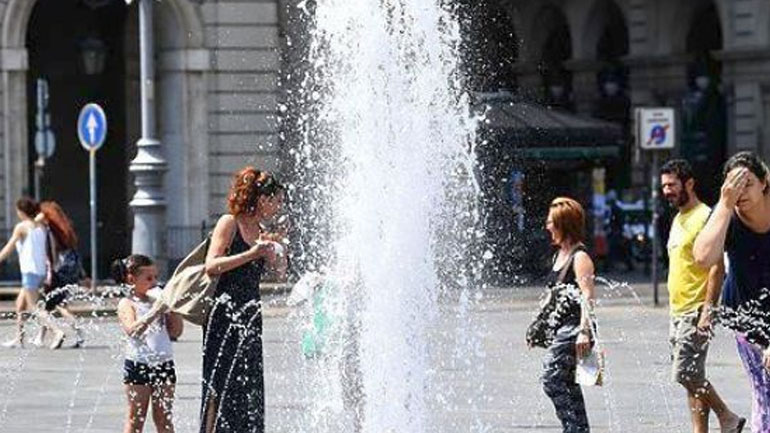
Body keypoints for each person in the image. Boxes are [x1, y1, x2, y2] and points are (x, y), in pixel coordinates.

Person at [660, 159, 745, 433]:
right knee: (693, 376)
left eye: (672, 185)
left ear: (689, 183)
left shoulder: (706, 216)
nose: (667, 191)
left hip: (697, 309)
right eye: (664, 186)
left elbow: (717, 267)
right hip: (678, 309)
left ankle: (728, 417)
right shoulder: (677, 218)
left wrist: (708, 308)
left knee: (685, 372)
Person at [201, 167, 286, 433]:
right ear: (262, 199)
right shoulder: (230, 222)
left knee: (249, 384)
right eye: (277, 199)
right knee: (222, 383)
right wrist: (252, 253)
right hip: (224, 316)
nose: (279, 205)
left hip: (251, 315)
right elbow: (211, 266)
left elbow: (279, 276)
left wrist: (276, 254)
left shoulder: (261, 230)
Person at [694, 151, 770, 432]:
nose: (741, 191)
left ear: (764, 182)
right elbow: (703, 258)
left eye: (747, 183)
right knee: (765, 395)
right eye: (733, 185)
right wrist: (724, 206)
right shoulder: (726, 214)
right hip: (747, 319)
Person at [539, 197, 596, 433]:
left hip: (574, 331)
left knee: (551, 379)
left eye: (552, 222)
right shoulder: (558, 255)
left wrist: (584, 332)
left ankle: (573, 428)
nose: (547, 226)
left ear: (564, 224)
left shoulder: (580, 257)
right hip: (561, 331)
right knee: (567, 383)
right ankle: (578, 429)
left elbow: (588, 297)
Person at [114, 254, 183, 433]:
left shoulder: (158, 301)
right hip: (138, 364)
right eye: (148, 278)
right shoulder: (127, 303)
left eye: (156, 277)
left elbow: (176, 332)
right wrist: (154, 311)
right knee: (136, 418)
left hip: (164, 363)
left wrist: (172, 310)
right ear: (131, 280)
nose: (154, 282)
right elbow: (132, 330)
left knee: (164, 418)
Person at [33, 201, 86, 349]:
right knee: (51, 303)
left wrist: (49, 272)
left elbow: (52, 253)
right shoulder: (66, 227)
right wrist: (83, 274)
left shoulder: (50, 228)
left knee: (54, 304)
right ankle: (41, 337)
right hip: (72, 268)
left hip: (59, 269)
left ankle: (70, 332)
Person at [0, 197, 48, 348]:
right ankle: (19, 338)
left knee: (34, 307)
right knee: (20, 305)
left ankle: (57, 330)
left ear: (21, 211)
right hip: (40, 271)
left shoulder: (21, 227)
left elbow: (9, 247)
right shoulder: (40, 225)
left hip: (30, 271)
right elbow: (43, 215)